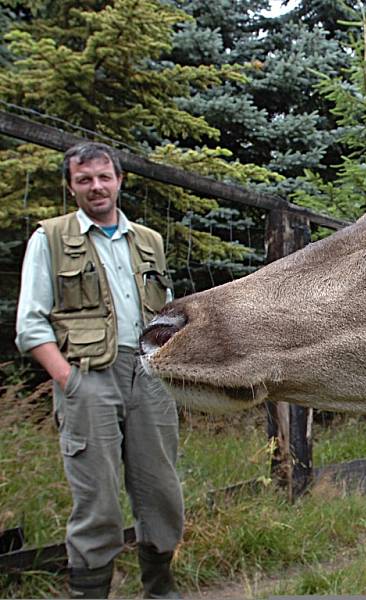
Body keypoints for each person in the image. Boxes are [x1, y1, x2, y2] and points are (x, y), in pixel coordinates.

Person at [15, 142, 183, 598]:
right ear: (71, 187)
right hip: (88, 377)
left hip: (150, 379)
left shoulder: (149, 241)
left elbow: (164, 316)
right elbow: (30, 325)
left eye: (104, 177)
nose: (97, 187)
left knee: (163, 493)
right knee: (98, 501)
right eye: (85, 180)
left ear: (119, 180)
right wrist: (69, 381)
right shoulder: (49, 238)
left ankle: (160, 589)